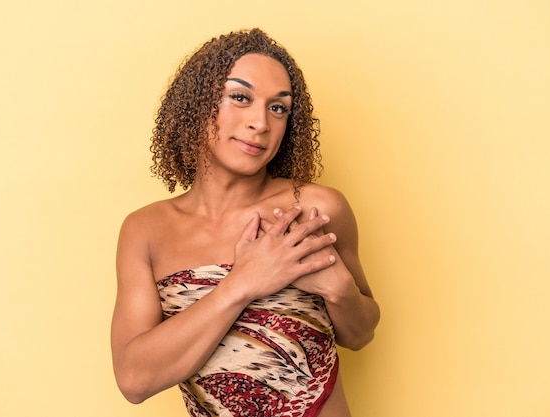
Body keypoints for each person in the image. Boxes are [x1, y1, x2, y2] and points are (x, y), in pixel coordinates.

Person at [111, 28, 380, 417]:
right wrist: (243, 283)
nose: (260, 122)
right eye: (240, 98)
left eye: (278, 108)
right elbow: (135, 380)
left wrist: (341, 291)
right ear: (198, 104)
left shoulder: (316, 208)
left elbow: (361, 334)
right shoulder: (146, 230)